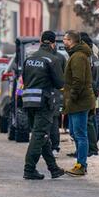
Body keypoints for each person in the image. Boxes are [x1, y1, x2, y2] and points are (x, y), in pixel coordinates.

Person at [21, 31, 66, 180]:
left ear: (41, 41)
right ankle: (29, 169)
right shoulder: (52, 59)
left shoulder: (29, 59)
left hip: (28, 101)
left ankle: (53, 169)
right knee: (39, 135)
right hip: (44, 102)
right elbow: (60, 83)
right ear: (53, 44)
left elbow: (24, 79)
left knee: (43, 135)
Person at [62, 30, 94, 177]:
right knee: (75, 133)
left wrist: (72, 97)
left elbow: (78, 81)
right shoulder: (76, 55)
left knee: (80, 134)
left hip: (80, 101)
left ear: (72, 41)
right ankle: (80, 163)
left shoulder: (78, 57)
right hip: (76, 101)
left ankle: (81, 165)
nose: (64, 42)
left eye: (65, 40)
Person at [45, 34, 67, 153]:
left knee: (49, 121)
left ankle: (51, 146)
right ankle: (54, 146)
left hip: (51, 93)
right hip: (57, 93)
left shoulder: (56, 58)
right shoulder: (61, 58)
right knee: (53, 120)